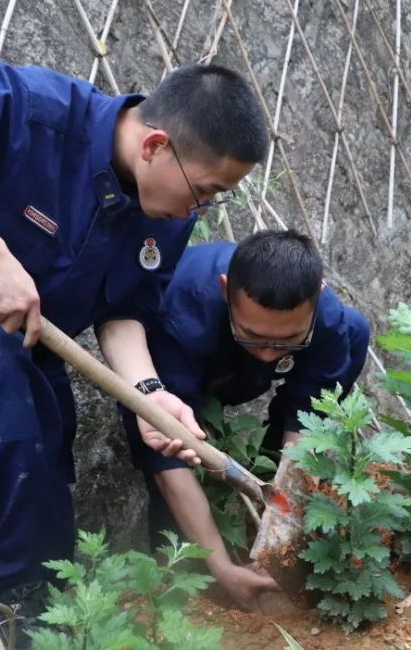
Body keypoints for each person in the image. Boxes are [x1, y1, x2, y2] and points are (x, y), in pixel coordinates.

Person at [0, 56, 270, 618]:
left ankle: (47, 613)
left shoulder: (166, 212)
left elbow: (124, 310)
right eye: (206, 189)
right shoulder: (33, 110)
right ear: (154, 146)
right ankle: (15, 607)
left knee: (47, 439)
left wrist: (147, 393)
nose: (203, 208)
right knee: (1, 381)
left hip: (27, 338)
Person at [120, 230, 370, 612]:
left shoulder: (332, 321)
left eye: (287, 340)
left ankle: (264, 502)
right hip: (183, 370)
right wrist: (219, 566)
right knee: (172, 456)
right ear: (225, 291)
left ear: (316, 297)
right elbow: (162, 453)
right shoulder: (181, 312)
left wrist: (284, 515)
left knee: (355, 331)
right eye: (254, 336)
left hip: (237, 369)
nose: (269, 355)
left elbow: (306, 423)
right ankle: (182, 583)